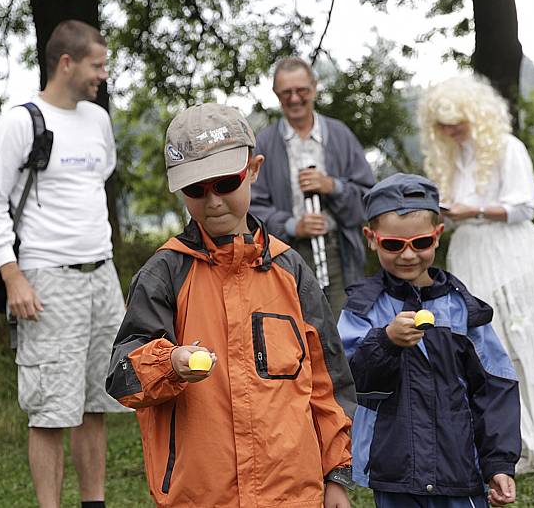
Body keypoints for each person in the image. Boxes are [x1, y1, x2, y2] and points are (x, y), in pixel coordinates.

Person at [105, 103, 356, 508]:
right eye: (196, 189)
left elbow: (329, 385)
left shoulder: (291, 271)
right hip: (200, 495)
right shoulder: (163, 273)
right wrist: (169, 362)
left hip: (293, 495)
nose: (213, 200)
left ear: (253, 170)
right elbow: (122, 377)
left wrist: (337, 477)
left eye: (225, 182)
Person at [0, 20, 127, 508]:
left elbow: (96, 182)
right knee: (51, 411)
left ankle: (94, 503)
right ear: (67, 63)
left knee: (95, 402)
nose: (104, 74)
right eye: (97, 65)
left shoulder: (97, 120)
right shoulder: (21, 122)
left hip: (101, 275)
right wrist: (13, 275)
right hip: (46, 281)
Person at [419, 75, 534, 473]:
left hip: (511, 251)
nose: (451, 129)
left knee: (521, 340)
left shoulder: (508, 148)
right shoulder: (450, 159)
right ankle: (511, 442)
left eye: (457, 120)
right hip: (471, 253)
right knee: (487, 345)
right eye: (443, 124)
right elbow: (455, 216)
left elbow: (524, 206)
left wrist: (475, 211)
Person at [337, 173, 521, 508]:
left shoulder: (464, 310)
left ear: (437, 236)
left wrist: (498, 462)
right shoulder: (362, 309)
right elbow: (349, 382)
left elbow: (496, 386)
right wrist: (385, 341)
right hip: (395, 471)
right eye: (394, 245)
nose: (408, 255)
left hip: (459, 467)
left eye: (420, 243)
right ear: (371, 238)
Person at [251, 57, 375, 317]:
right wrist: (291, 225)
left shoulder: (340, 135)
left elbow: (368, 200)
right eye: (286, 93)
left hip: (339, 252)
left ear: (314, 88)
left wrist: (333, 186)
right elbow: (251, 208)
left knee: (344, 328)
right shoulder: (264, 143)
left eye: (302, 91)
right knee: (295, 327)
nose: (295, 99)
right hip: (283, 254)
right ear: (276, 94)